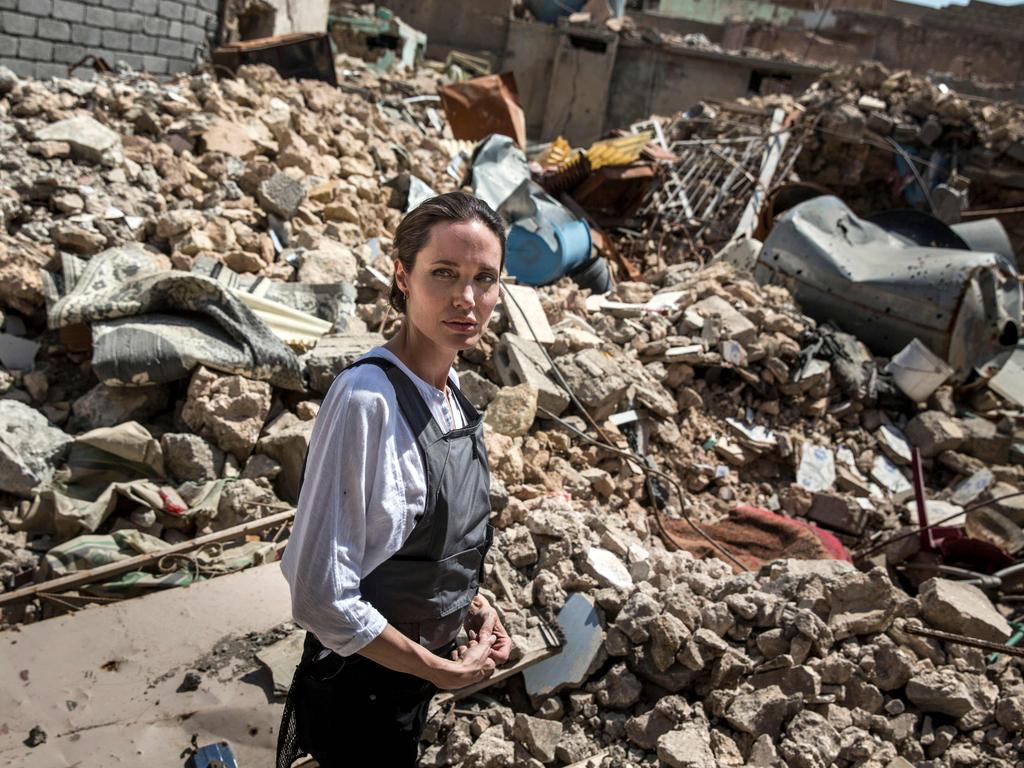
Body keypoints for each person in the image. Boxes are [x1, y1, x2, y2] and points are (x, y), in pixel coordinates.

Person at [276, 191, 513, 768]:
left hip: (408, 678)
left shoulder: (451, 396)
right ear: (402, 276)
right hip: (361, 687)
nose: (467, 299)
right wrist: (437, 667)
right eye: (444, 274)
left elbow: (409, 542)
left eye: (485, 279)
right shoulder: (366, 402)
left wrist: (469, 605)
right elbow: (319, 594)